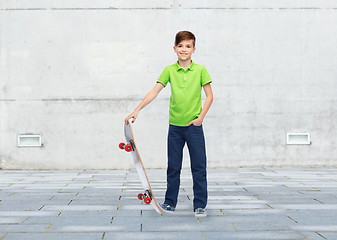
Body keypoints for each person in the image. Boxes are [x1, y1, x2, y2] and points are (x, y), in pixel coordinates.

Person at [124, 31, 213, 217]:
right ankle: (170, 202)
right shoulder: (169, 70)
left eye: (188, 46)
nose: (184, 49)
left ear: (194, 49)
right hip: (175, 128)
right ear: (174, 48)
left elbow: (210, 96)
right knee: (173, 166)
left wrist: (200, 118)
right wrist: (137, 109)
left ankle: (200, 205)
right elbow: (154, 91)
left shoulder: (201, 70)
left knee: (199, 167)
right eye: (180, 46)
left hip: (194, 128)